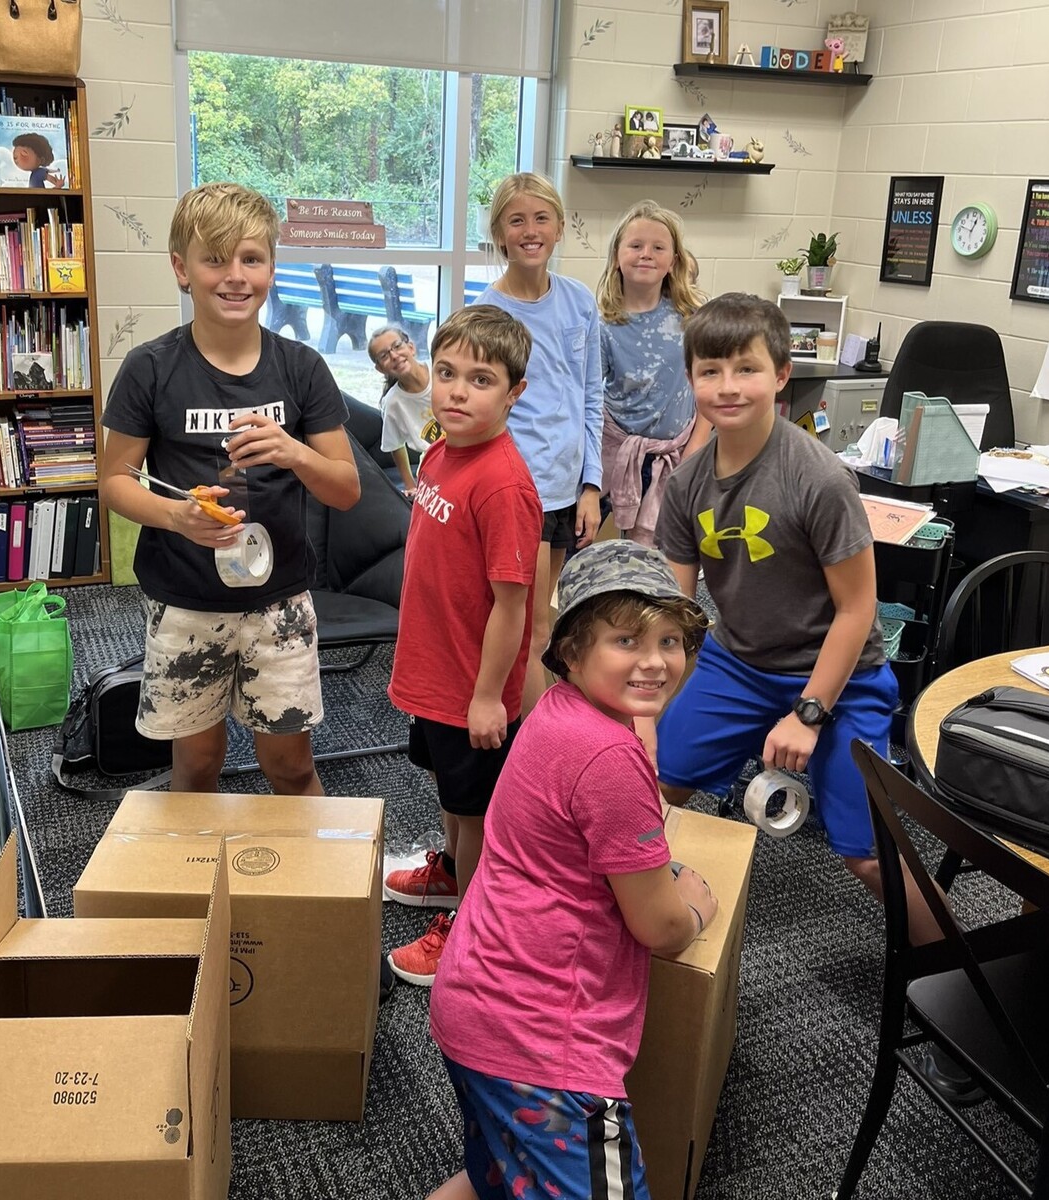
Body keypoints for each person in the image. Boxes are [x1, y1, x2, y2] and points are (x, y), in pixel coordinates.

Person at [651, 292, 944, 947]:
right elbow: (673, 610)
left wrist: (809, 712)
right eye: (710, 370)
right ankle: (630, 921)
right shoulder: (687, 483)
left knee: (863, 851)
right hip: (741, 660)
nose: (728, 386)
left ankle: (956, 963)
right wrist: (642, 704)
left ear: (781, 375)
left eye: (746, 369)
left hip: (843, 675)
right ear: (692, 377)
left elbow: (857, 608)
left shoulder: (818, 477)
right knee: (650, 787)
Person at [425, 539, 714, 1200]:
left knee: (497, 1180)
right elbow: (661, 928)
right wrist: (696, 903)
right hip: (542, 1047)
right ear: (573, 651)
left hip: (479, 999)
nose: (654, 661)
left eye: (671, 641)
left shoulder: (561, 712)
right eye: (625, 640)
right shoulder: (607, 757)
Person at [98, 181, 360, 796]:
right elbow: (112, 479)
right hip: (185, 599)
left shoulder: (300, 367)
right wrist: (173, 515)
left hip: (279, 600)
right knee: (196, 764)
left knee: (291, 767)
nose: (235, 276)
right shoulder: (151, 367)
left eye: (252, 258)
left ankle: (313, 891)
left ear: (272, 266)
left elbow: (345, 489)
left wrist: (294, 452)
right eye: (215, 259)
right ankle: (200, 889)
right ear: (181, 269)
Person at [384, 304, 543, 985]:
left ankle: (472, 927)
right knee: (446, 788)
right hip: (432, 671)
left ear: (515, 393)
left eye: (480, 379)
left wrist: (487, 699)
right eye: (446, 373)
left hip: (469, 689)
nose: (454, 390)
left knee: (476, 812)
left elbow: (514, 608)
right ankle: (450, 873)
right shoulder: (443, 450)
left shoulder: (505, 483)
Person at [473, 172, 603, 717]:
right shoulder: (486, 313)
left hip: (566, 487)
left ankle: (540, 732)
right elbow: (478, 413)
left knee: (550, 620)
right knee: (530, 625)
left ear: (560, 227)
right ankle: (535, 747)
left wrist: (591, 483)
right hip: (516, 489)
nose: (530, 230)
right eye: (516, 220)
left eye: (541, 218)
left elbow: (592, 392)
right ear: (500, 233)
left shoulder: (577, 301)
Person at [596, 200, 711, 544]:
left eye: (658, 247)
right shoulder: (602, 324)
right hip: (615, 451)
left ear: (673, 262)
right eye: (635, 246)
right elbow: (588, 394)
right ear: (617, 255)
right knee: (592, 548)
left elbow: (707, 387)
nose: (646, 254)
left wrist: (695, 449)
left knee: (660, 552)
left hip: (677, 452)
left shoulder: (692, 319)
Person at [367, 324, 441, 496]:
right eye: (384, 355)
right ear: (380, 369)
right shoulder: (393, 403)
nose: (394, 355)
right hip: (435, 468)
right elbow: (396, 445)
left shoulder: (440, 371)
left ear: (411, 347)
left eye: (397, 346)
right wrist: (410, 485)